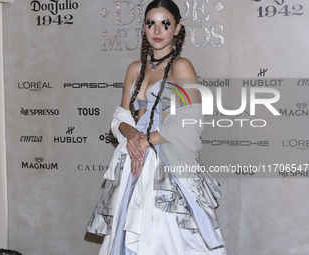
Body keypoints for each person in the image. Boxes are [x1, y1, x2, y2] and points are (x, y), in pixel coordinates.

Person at [87, 0, 226, 254]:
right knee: (127, 226)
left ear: (177, 28)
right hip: (134, 157)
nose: (157, 31)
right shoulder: (134, 69)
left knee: (162, 232)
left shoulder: (181, 66)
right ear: (144, 28)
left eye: (165, 24)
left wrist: (146, 140)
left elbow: (190, 120)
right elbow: (121, 117)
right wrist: (131, 137)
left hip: (166, 157)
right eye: (151, 24)